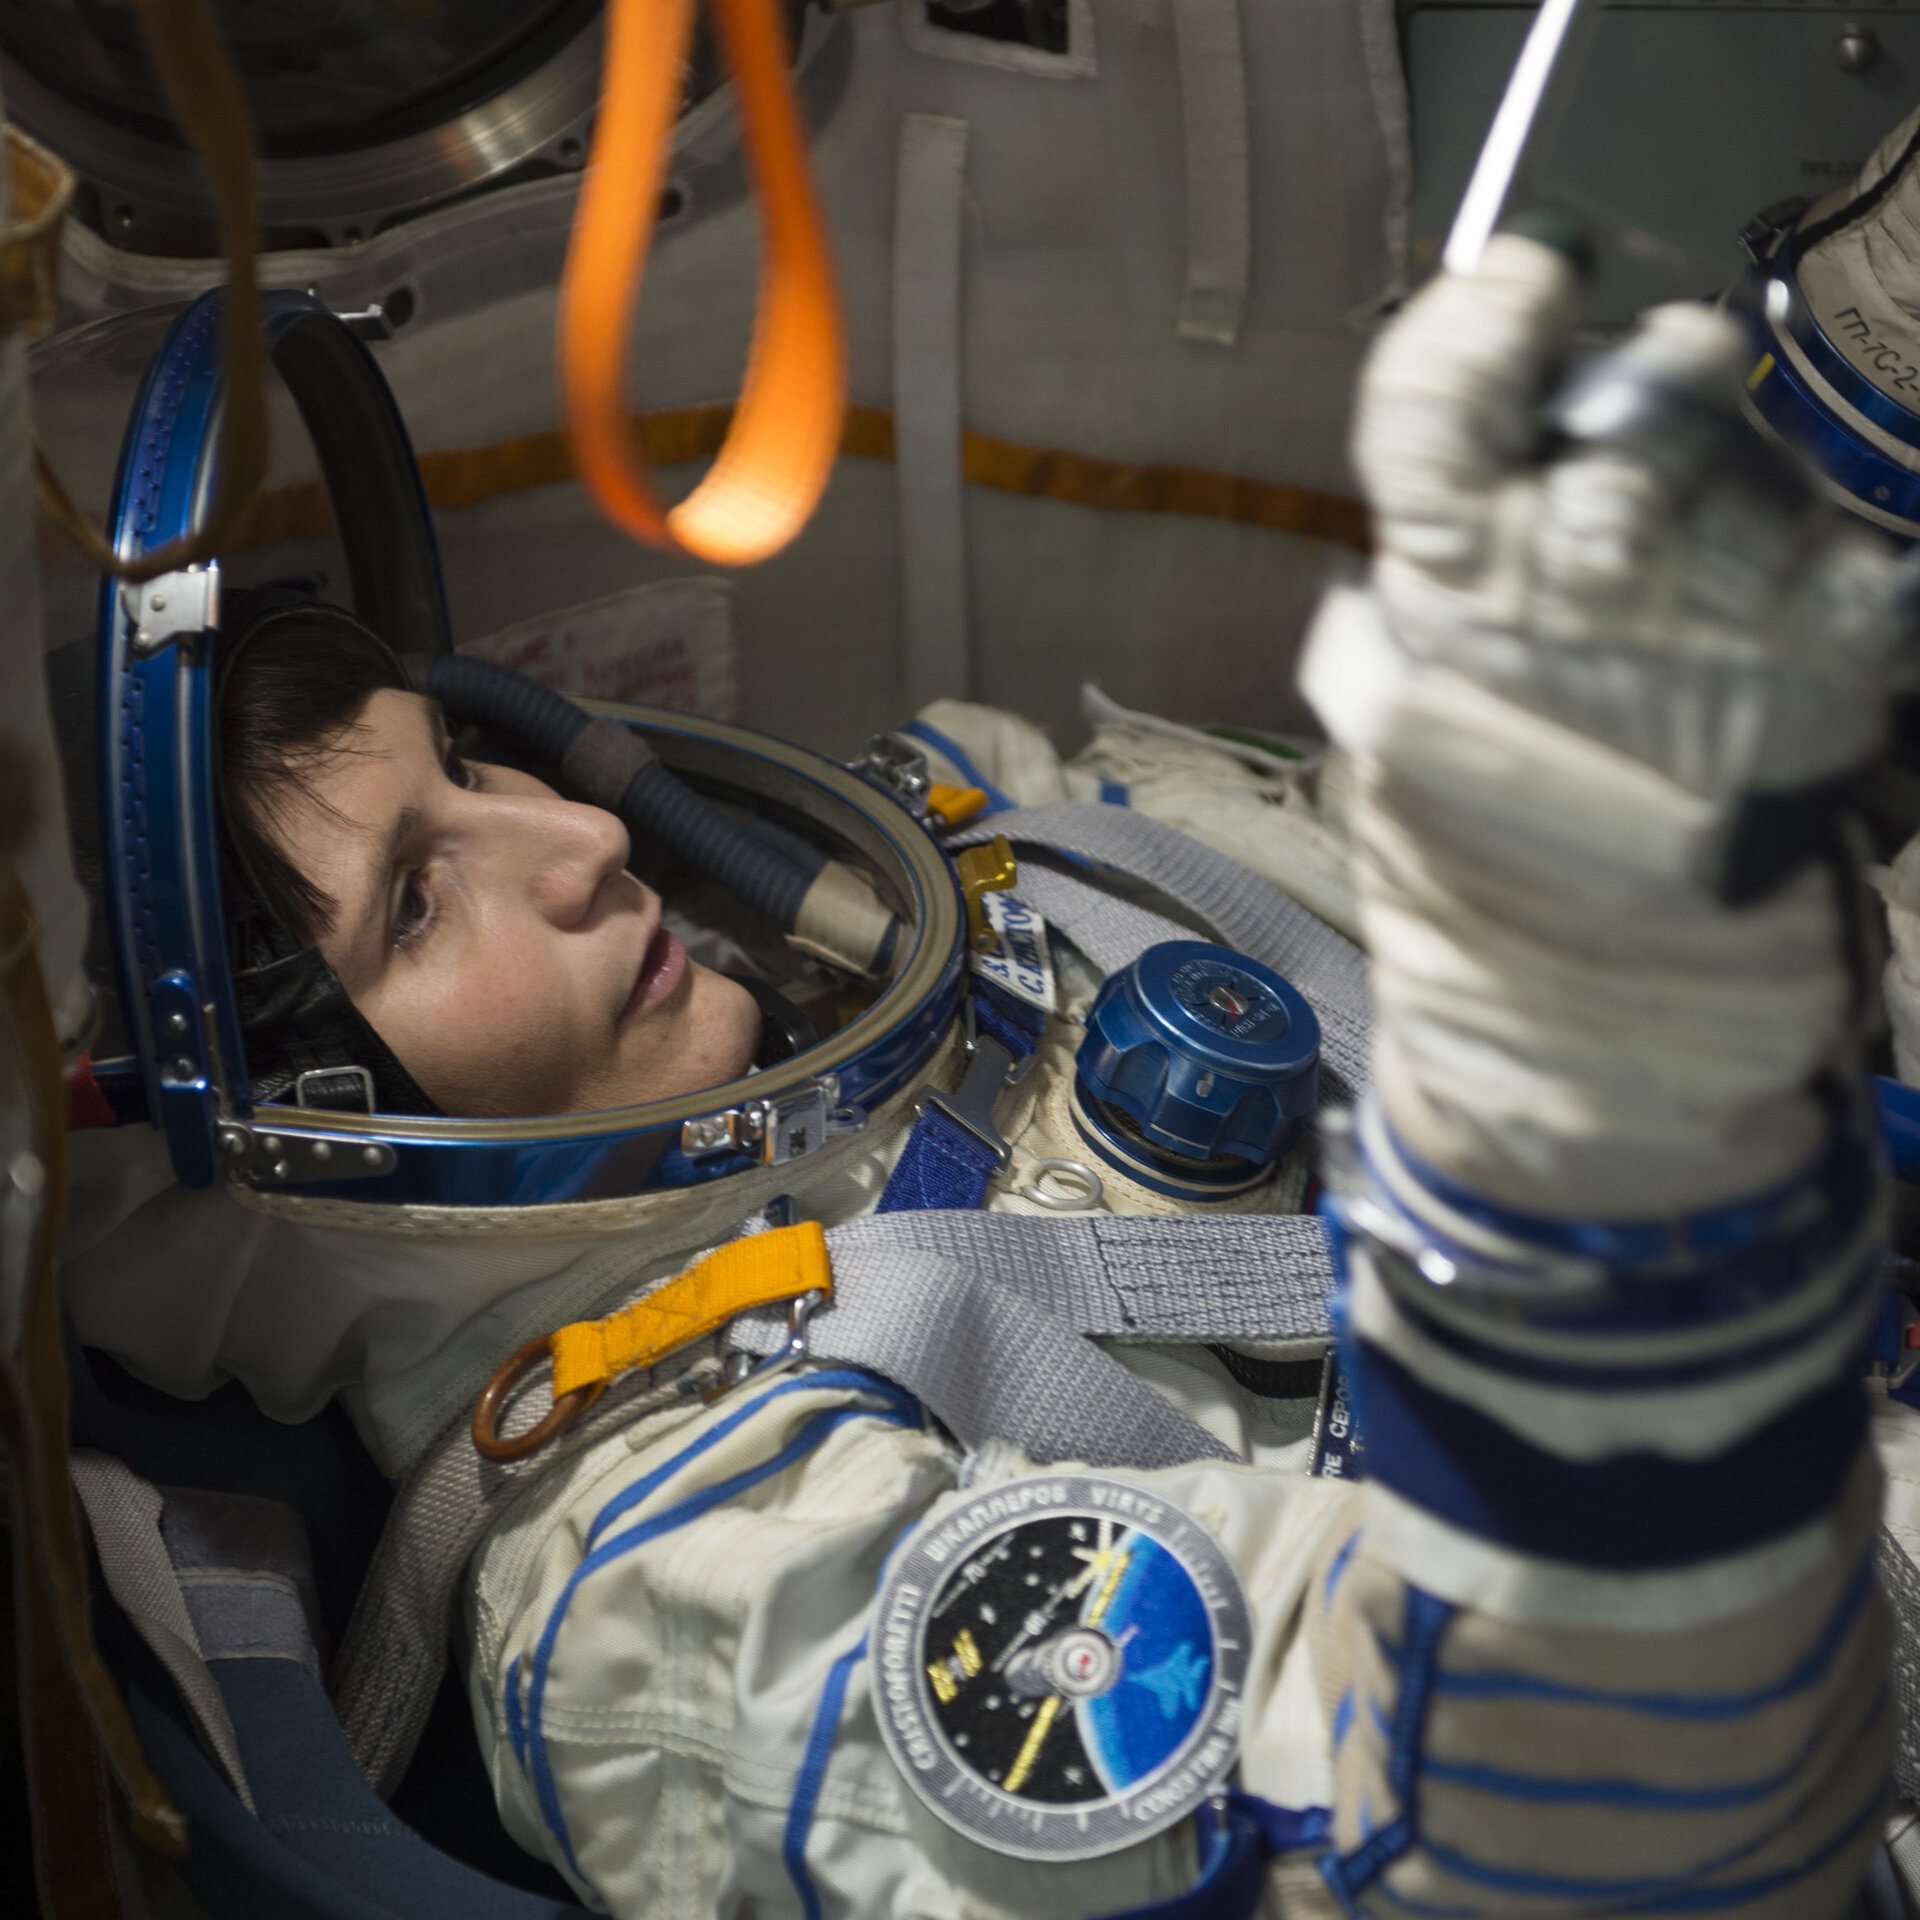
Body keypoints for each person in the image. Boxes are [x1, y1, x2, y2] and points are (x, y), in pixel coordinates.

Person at [64, 234, 1918, 1914]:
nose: (577, 843)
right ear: (317, 1136)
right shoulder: (688, 1597)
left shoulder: (931, 871)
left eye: (475, 763)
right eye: (417, 898)